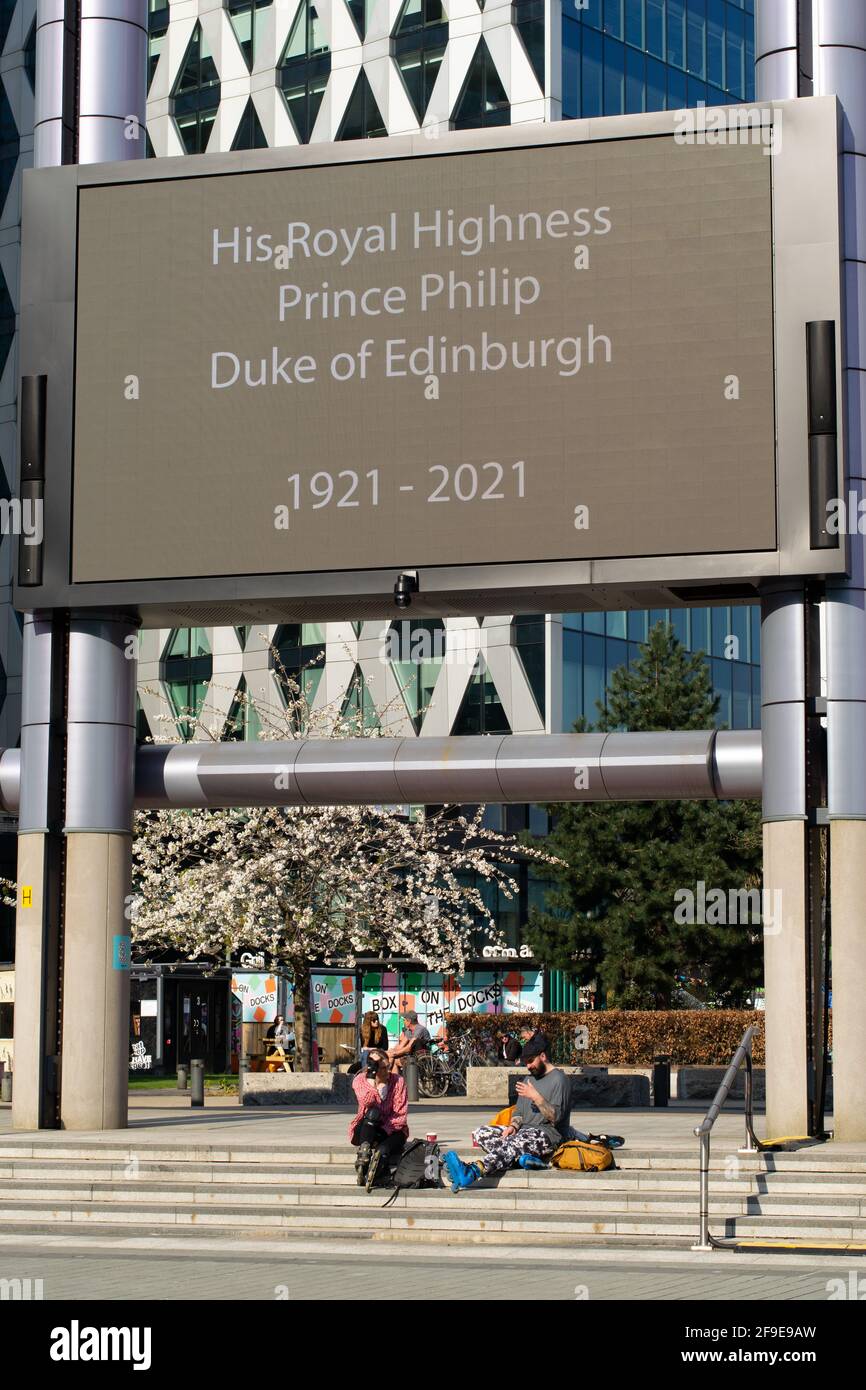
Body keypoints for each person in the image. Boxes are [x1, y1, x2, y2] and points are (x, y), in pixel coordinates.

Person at [444, 1036, 572, 1191]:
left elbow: (556, 1117)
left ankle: (471, 1172)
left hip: (548, 1135)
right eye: (526, 1063)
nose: (529, 1066)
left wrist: (536, 1096)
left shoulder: (559, 1079)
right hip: (522, 1132)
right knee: (481, 1133)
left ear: (543, 1056)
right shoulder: (528, 1079)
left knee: (513, 1144)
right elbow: (518, 1111)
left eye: (531, 1061)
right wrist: (513, 1126)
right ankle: (520, 1159)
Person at [348, 1049, 409, 1192]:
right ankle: (364, 1156)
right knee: (372, 1113)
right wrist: (372, 1080)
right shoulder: (360, 1080)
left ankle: (374, 1170)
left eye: (388, 1066)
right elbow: (366, 1102)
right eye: (381, 1067)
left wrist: (385, 1130)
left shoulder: (398, 1081)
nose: (386, 1071)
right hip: (366, 1128)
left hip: (393, 1130)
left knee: (383, 1150)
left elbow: (400, 1114)